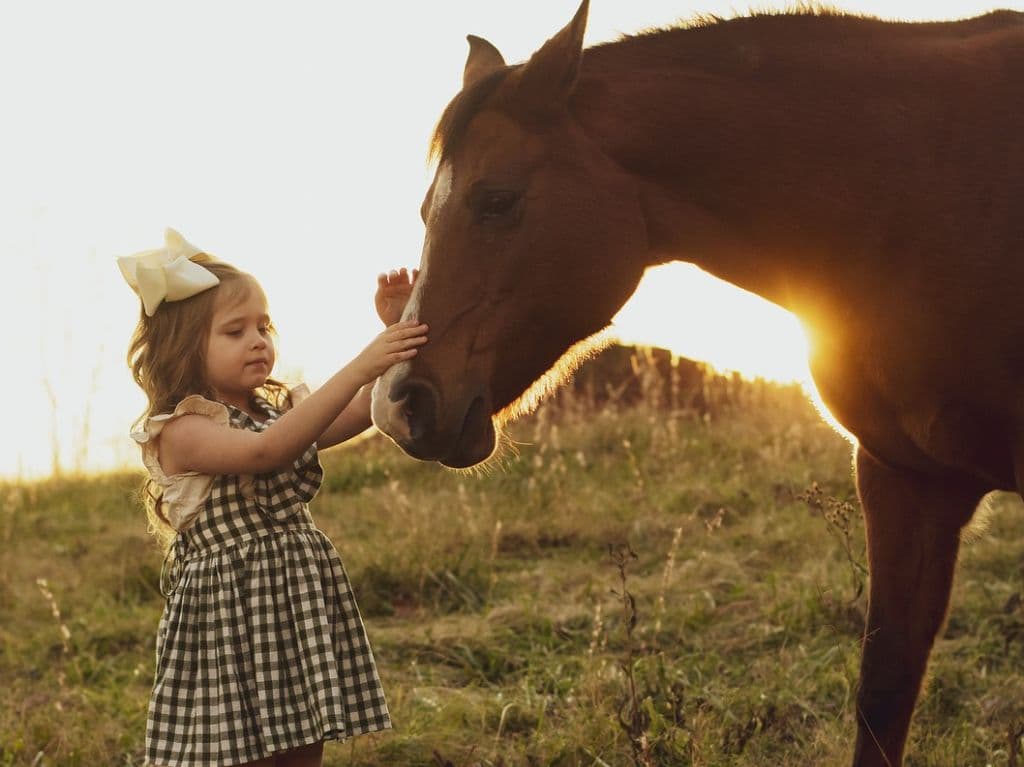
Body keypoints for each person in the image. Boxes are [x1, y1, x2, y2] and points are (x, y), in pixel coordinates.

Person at [120, 228, 426, 767]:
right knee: (239, 751)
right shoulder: (182, 429)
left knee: (302, 742)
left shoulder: (272, 413)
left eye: (264, 326)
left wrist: (398, 331)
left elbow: (357, 411)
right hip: (232, 616)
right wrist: (363, 362)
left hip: (291, 601)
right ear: (185, 348)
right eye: (235, 331)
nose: (258, 340)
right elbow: (268, 453)